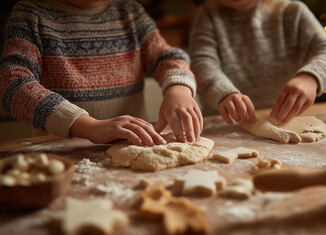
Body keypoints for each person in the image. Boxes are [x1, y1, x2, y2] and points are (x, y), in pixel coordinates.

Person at [0, 0, 203, 146]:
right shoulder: (31, 13)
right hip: (63, 153)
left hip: (136, 145)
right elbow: (11, 83)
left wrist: (179, 90)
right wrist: (90, 127)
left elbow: (167, 57)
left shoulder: (131, 12)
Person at [189, 0, 326, 125]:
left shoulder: (292, 12)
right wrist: (223, 93)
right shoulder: (207, 15)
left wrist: (310, 78)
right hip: (226, 123)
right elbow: (202, 63)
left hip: (287, 119)